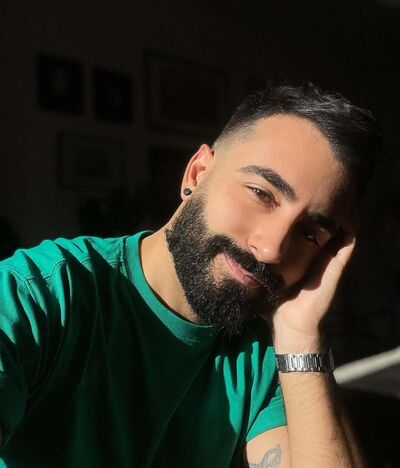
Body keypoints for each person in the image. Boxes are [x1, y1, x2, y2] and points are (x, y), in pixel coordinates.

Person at [0, 83, 380, 467]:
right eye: (261, 193)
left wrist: (300, 334)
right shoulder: (40, 293)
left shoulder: (269, 353)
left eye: (309, 233)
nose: (271, 250)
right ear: (197, 174)